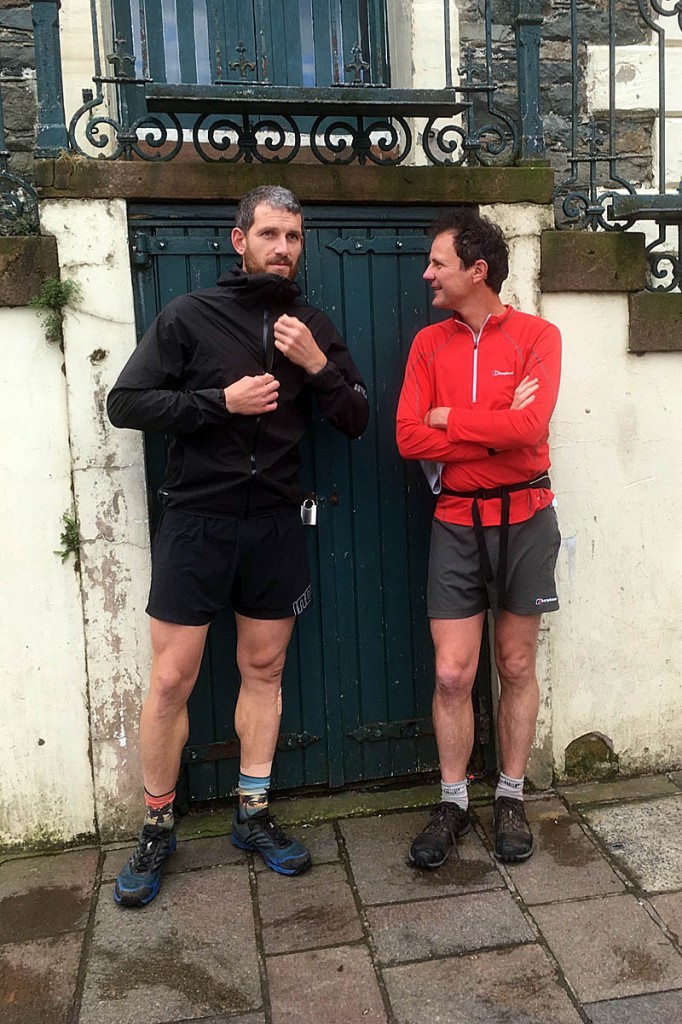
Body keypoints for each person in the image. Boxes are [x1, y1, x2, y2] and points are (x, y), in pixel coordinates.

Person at [107, 185, 369, 905]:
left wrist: (317, 365)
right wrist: (217, 404)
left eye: (294, 237)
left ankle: (252, 815)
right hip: (197, 521)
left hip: (275, 525)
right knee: (169, 679)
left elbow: (355, 417)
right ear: (239, 240)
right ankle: (158, 823)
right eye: (270, 234)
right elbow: (125, 403)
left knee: (265, 668)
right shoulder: (191, 315)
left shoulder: (311, 325)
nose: (283, 248)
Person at [396, 207, 561, 868]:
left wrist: (453, 418)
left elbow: (533, 431)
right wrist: (495, 419)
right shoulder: (427, 346)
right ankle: (454, 802)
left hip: (526, 516)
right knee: (452, 672)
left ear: (476, 269)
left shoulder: (538, 336)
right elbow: (410, 436)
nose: (427, 274)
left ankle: (512, 796)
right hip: (457, 520)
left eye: (438, 263)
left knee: (516, 664)